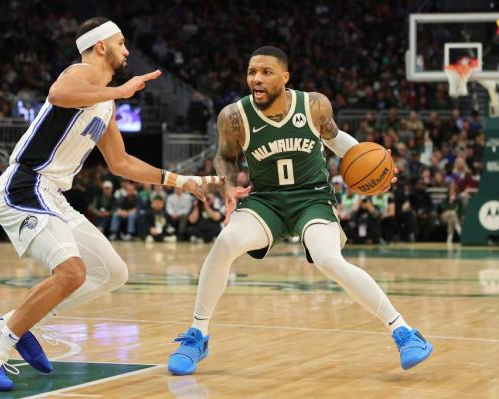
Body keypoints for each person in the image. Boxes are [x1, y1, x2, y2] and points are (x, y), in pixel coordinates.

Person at [0, 17, 222, 392]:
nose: (127, 50)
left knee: (113, 272)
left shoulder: (102, 104)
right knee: (72, 272)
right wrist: (120, 92)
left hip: (52, 194)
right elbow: (58, 94)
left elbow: (121, 164)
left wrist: (180, 180)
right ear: (101, 46)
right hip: (26, 185)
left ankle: (16, 323)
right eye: (121, 43)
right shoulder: (81, 72)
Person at [167, 46, 432, 376]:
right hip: (266, 200)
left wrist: (378, 164)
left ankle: (404, 331)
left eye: (266, 72)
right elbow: (225, 156)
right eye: (252, 72)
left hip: (312, 198)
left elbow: (336, 141)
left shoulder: (314, 105)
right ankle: (198, 335)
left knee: (328, 259)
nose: (257, 78)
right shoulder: (233, 115)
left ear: (285, 77)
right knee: (225, 243)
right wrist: (229, 184)